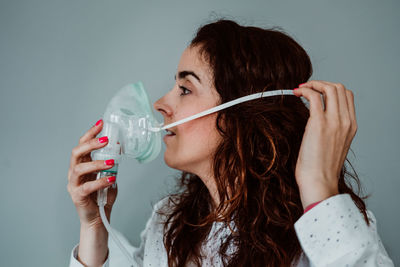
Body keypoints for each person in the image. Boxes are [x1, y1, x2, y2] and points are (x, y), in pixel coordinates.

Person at [67, 19, 394, 267]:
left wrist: (319, 190)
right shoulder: (170, 224)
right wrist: (94, 225)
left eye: (185, 89)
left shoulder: (331, 225)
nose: (160, 104)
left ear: (241, 112)